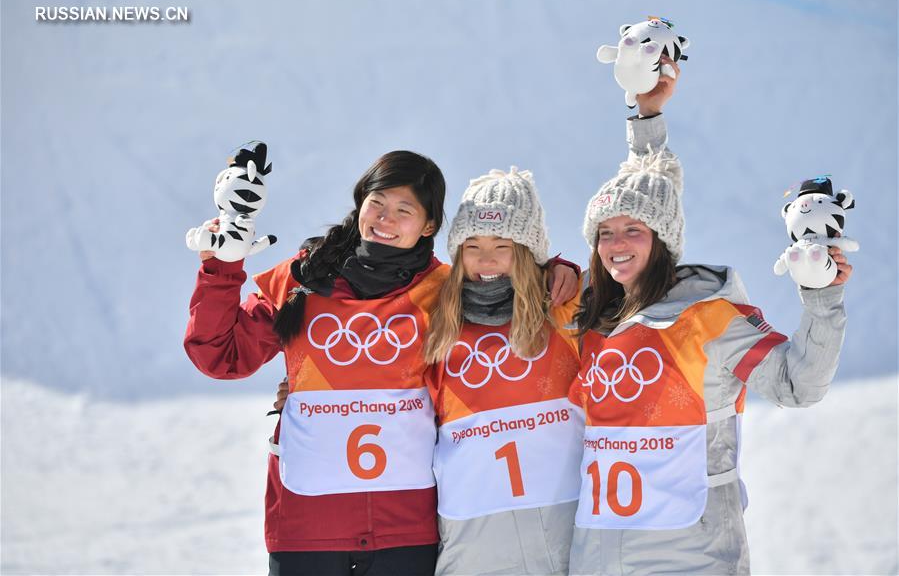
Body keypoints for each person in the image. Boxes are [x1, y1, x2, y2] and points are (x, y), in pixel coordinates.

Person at [187, 150, 577, 576]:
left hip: (405, 529)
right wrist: (222, 266)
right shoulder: (301, 281)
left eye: (404, 209)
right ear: (360, 205)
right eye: (377, 203)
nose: (385, 219)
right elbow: (220, 356)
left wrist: (556, 270)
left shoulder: (443, 288)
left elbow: (501, 281)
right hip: (306, 525)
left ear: (429, 225)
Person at [567, 58, 852, 575]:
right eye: (605, 233)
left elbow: (798, 385)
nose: (616, 245)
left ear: (662, 241)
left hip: (691, 558)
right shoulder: (591, 316)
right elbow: (648, 187)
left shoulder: (708, 317)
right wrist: (645, 114)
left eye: (633, 230)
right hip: (600, 554)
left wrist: (820, 298)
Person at [424, 167, 584, 575]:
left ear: (530, 252)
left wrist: (562, 267)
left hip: (561, 534)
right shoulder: (437, 321)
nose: (487, 258)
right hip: (471, 541)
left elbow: (638, 284)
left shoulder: (566, 309)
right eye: (472, 245)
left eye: (503, 245)